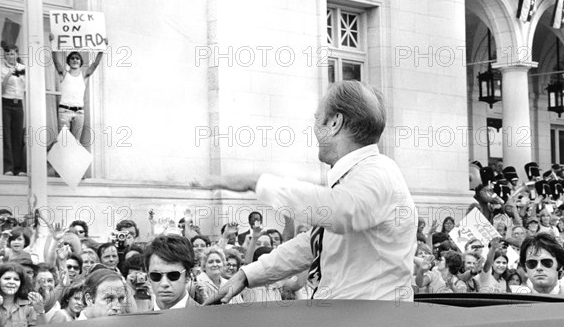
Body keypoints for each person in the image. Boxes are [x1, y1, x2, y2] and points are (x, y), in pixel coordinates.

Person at [197, 80, 417, 303]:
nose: (313, 128)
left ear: (334, 123)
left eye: (316, 118)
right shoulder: (359, 177)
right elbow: (312, 244)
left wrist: (256, 183)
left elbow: (341, 211)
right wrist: (247, 275)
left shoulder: (378, 172)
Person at [50, 34, 106, 143]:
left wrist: (102, 48)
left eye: (77, 58)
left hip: (79, 112)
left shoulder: (84, 76)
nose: (75, 60)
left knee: (76, 143)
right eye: (72, 58)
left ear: (80, 62)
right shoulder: (64, 74)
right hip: (64, 112)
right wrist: (52, 44)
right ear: (68, 61)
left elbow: (95, 64)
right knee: (63, 142)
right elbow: (56, 62)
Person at [516, 233, 564, 297]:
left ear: (560, 266)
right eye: (532, 263)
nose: (539, 268)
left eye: (546, 263)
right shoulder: (514, 300)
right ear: (525, 268)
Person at [143, 235, 199, 310]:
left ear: (188, 275)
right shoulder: (140, 320)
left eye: (173, 275)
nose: (164, 283)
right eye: (156, 276)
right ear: (148, 276)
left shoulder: (207, 319)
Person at [0, 263, 47, 327]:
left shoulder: (29, 306)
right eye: (7, 278)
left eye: (16, 279)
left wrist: (40, 311)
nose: (12, 282)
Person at [0, 43, 26, 176]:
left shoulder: (23, 68)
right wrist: (7, 75)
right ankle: (8, 168)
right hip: (6, 103)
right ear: (5, 55)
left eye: (13, 53)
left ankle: (19, 168)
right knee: (7, 136)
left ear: (17, 54)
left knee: (18, 136)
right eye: (8, 54)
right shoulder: (1, 68)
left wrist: (21, 77)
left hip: (19, 104)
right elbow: (0, 89)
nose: (10, 56)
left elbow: (27, 88)